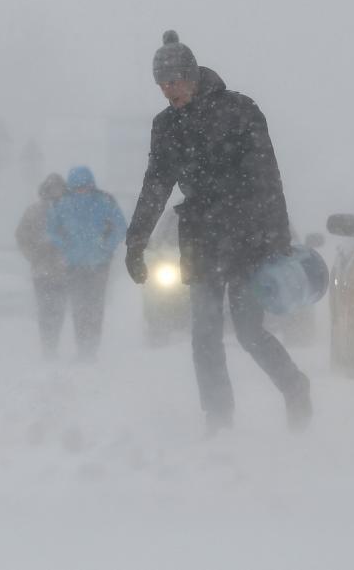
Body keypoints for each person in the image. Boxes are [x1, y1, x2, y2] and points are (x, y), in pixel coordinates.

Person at [124, 30, 312, 435]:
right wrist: (136, 241)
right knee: (205, 333)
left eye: (173, 81)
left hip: (249, 236)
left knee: (248, 331)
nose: (167, 91)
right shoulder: (166, 127)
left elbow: (268, 178)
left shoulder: (240, 111)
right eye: (161, 84)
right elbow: (155, 185)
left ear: (191, 76)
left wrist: (278, 239)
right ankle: (219, 417)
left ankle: (295, 386)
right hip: (200, 239)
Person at [47, 166, 127, 361]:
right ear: (72, 187)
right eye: (78, 187)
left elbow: (120, 226)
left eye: (85, 187)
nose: (82, 190)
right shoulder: (64, 204)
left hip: (97, 263)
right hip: (76, 264)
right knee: (79, 306)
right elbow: (52, 230)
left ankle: (91, 347)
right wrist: (65, 245)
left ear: (91, 185)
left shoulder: (103, 202)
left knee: (94, 306)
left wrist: (106, 247)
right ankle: (83, 347)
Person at [16, 173, 67, 360]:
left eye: (59, 188)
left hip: (62, 270)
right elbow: (21, 236)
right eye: (52, 188)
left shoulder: (68, 211)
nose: (56, 192)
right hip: (42, 270)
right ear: (45, 190)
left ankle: (53, 343)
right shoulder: (34, 211)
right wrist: (33, 255)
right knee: (45, 309)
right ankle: (48, 346)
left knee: (59, 310)